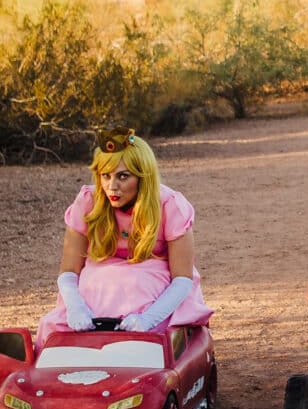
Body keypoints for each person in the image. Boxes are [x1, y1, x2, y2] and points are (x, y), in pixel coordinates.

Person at [38, 127, 212, 345]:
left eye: (123, 176)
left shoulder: (169, 205)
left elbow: (182, 279)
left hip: (154, 297)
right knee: (54, 333)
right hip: (95, 293)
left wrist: (147, 319)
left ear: (142, 177)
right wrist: (76, 308)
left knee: (153, 338)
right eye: (106, 176)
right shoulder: (88, 201)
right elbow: (69, 271)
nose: (112, 186)